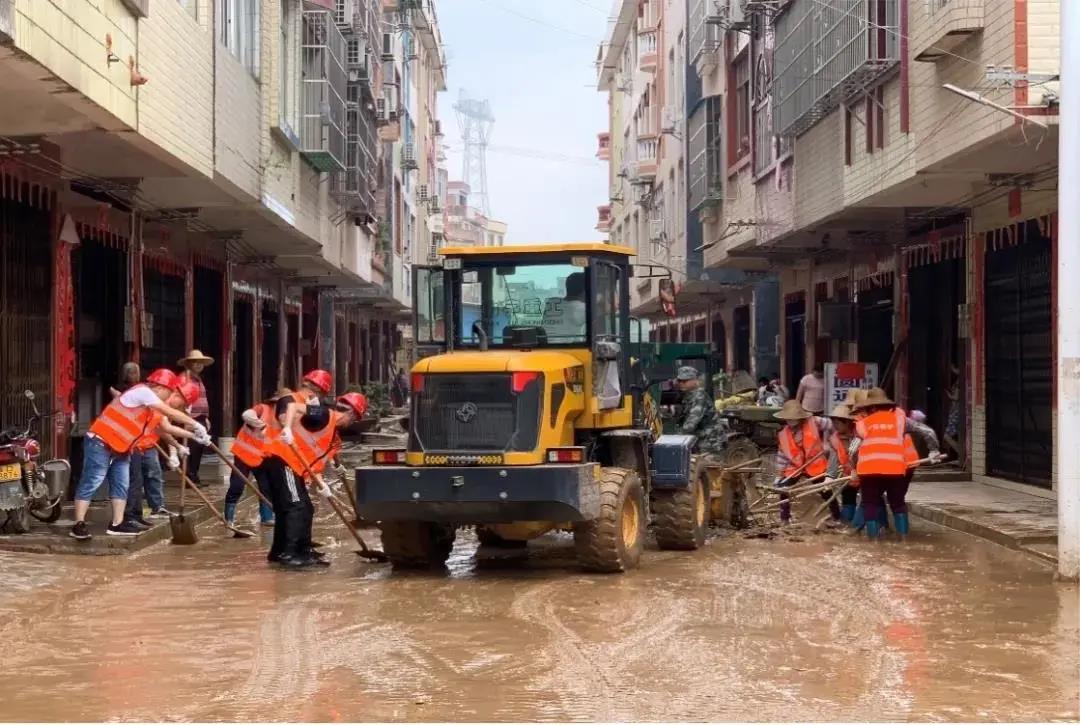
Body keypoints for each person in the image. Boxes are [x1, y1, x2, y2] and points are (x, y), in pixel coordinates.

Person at [70, 369, 208, 540]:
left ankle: (117, 524)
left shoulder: (150, 404)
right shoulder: (143, 392)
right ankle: (78, 524)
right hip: (101, 441)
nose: (170, 395)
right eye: (170, 391)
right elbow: (170, 413)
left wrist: (193, 436)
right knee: (93, 480)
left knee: (122, 485)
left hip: (122, 447)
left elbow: (164, 428)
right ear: (160, 387)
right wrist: (196, 425)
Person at [850, 387, 943, 539]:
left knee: (870, 504)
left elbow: (853, 450)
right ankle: (903, 540)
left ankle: (873, 542)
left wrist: (854, 469)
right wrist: (934, 451)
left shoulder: (863, 423)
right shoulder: (901, 420)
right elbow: (928, 432)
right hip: (896, 469)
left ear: (871, 407)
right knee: (898, 504)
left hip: (869, 471)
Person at [122, 380, 201, 529]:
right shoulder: (159, 403)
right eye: (183, 403)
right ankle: (131, 516)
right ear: (177, 395)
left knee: (154, 474)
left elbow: (163, 429)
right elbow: (165, 429)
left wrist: (176, 449)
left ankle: (153, 508)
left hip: (148, 444)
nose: (182, 407)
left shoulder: (167, 406)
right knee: (135, 481)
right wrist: (180, 445)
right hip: (135, 443)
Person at [224, 388, 293, 527]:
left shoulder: (286, 421)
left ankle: (267, 518)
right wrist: (261, 425)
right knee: (237, 486)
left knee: (266, 487)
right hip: (244, 454)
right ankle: (228, 518)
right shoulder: (263, 409)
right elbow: (247, 415)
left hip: (264, 458)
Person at [773, 400, 835, 523]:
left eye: (793, 418)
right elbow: (782, 456)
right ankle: (784, 519)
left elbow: (832, 425)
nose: (791, 421)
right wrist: (779, 475)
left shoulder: (814, 421)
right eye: (788, 418)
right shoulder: (783, 434)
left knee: (825, 489)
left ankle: (836, 516)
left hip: (814, 464)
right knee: (783, 489)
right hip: (795, 467)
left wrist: (828, 441)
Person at [177, 350, 214, 487]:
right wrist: (185, 417)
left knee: (199, 448)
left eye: (201, 363)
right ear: (189, 364)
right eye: (195, 362)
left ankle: (194, 476)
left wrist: (206, 417)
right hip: (190, 417)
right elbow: (179, 399)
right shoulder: (184, 378)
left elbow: (203, 399)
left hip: (200, 417)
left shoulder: (198, 379)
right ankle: (189, 479)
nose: (199, 365)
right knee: (191, 448)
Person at [674, 365, 725, 455]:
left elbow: (691, 423)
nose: (681, 383)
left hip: (710, 441)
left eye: (685, 381)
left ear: (694, 380)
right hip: (700, 439)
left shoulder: (699, 396)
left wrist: (675, 438)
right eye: (679, 381)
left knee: (708, 463)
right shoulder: (687, 396)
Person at [826, 404, 858, 524]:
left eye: (837, 423)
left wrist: (857, 470)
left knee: (871, 501)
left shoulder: (859, 434)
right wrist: (829, 476)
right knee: (848, 497)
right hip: (849, 475)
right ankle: (847, 523)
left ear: (848, 422)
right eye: (833, 422)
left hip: (865, 472)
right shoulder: (835, 439)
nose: (835, 426)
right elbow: (833, 460)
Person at [541, 271, 587, 341]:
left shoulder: (552, 302)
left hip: (544, 345)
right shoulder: (580, 308)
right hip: (560, 347)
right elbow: (604, 310)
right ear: (585, 291)